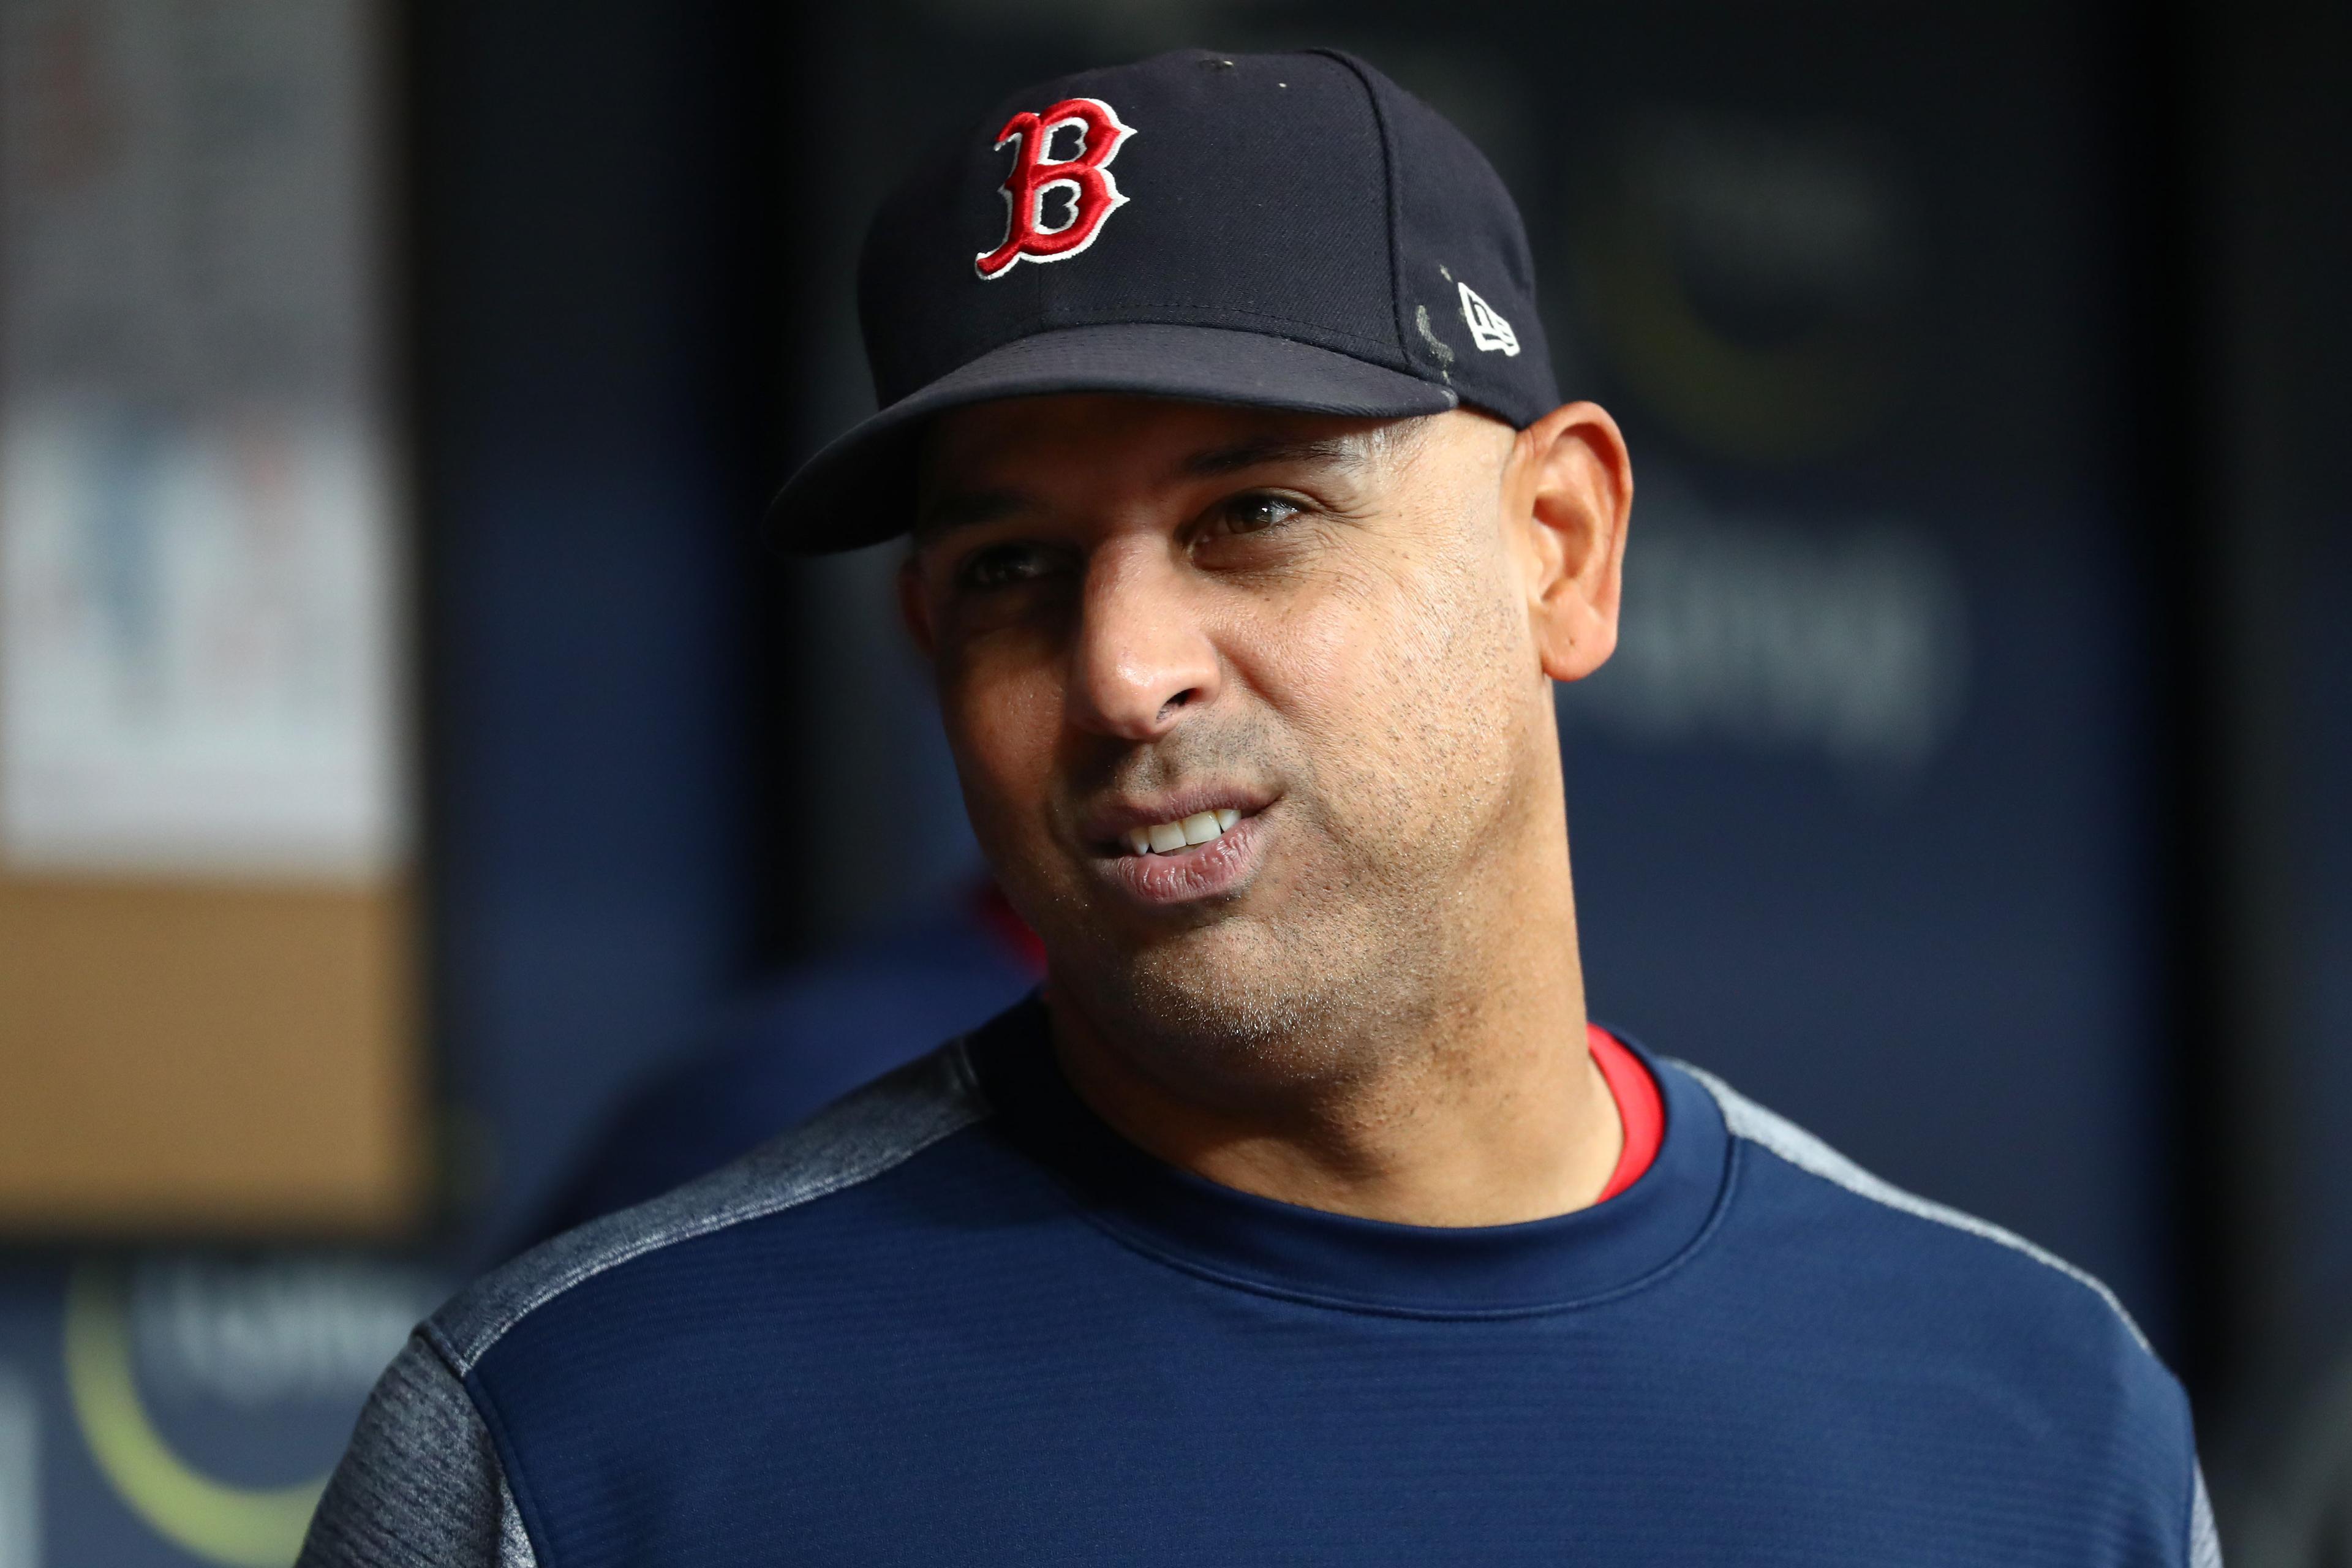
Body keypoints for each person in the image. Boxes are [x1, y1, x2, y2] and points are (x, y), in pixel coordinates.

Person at [301, 48, 2218, 1566]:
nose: (1127, 669)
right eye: (1013, 572)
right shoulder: (590, 1434)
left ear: (1561, 547)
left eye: (1256, 517)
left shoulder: (2029, 1413)